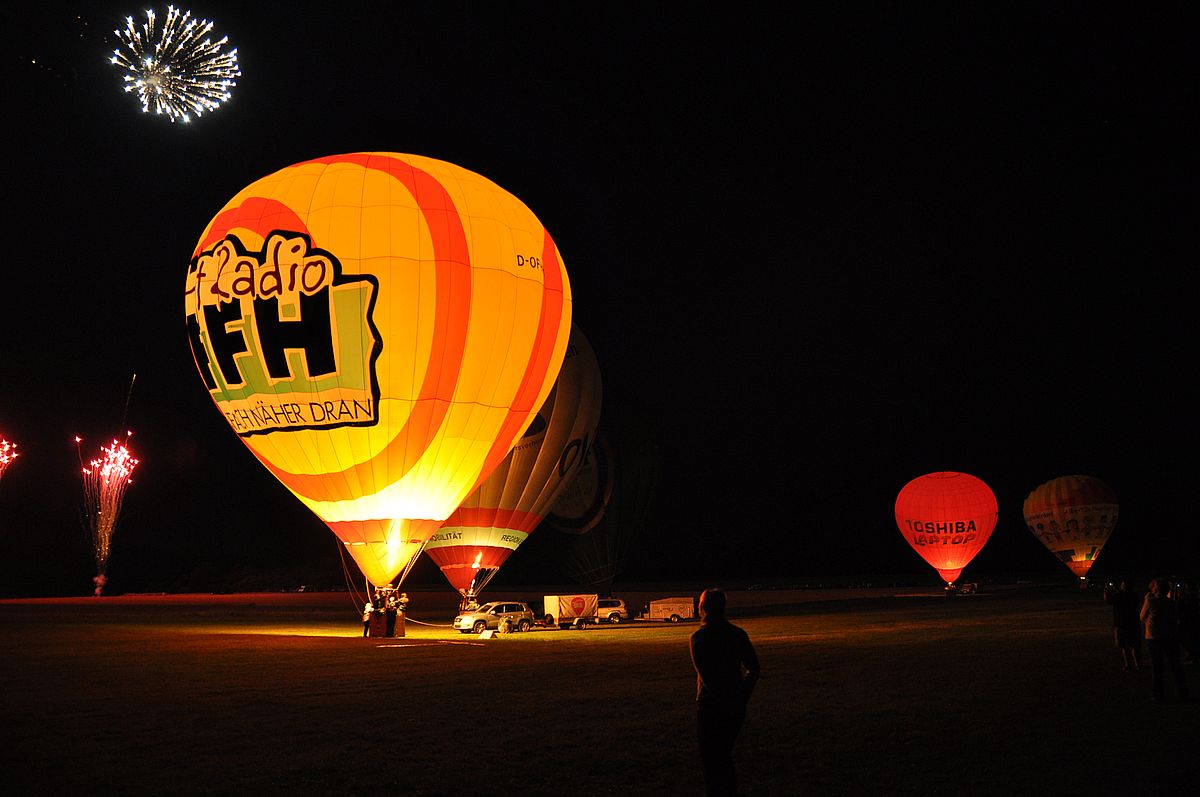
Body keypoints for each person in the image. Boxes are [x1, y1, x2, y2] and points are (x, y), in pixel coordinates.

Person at [690, 588, 760, 796]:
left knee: (712, 761)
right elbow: (754, 668)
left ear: (702, 608)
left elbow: (709, 679)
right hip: (735, 708)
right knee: (724, 756)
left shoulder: (699, 639)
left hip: (711, 709)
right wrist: (742, 696)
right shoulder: (737, 635)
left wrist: (724, 700)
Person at [1140, 577, 1189, 701]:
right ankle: (1182, 692)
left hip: (1154, 637)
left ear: (1154, 589)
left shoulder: (1150, 601)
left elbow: (1141, 616)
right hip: (1170, 636)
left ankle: (1158, 694)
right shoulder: (1171, 603)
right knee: (1175, 666)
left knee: (1157, 667)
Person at [1103, 579, 1141, 671]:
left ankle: (1128, 664)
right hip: (1133, 623)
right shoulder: (1134, 596)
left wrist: (1106, 589)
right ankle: (1137, 664)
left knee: (1124, 646)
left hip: (1121, 624)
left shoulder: (1119, 596)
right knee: (1133, 645)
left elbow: (1107, 600)